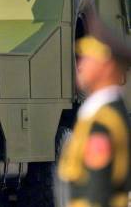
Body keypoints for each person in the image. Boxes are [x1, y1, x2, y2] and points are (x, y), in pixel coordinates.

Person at [58, 15, 131, 207]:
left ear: (107, 65)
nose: (80, 64)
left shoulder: (104, 120)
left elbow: (97, 191)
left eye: (88, 57)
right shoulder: (101, 113)